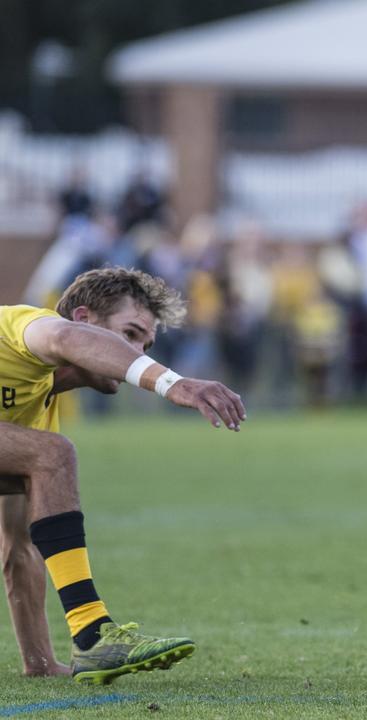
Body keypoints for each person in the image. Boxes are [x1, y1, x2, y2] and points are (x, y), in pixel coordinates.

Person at [0, 267, 245, 683]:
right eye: (129, 335)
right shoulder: (29, 328)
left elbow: (17, 548)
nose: (139, 354)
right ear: (83, 319)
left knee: (45, 466)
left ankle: (66, 651)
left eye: (146, 344)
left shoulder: (34, 415)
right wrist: (173, 383)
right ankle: (94, 634)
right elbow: (63, 339)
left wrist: (39, 663)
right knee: (53, 455)